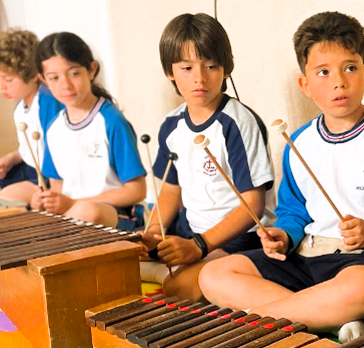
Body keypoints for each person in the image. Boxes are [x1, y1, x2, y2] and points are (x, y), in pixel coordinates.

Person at [199, 11, 364, 342]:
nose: (339, 81)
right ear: (305, 84)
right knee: (214, 274)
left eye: (350, 68)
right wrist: (284, 236)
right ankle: (327, 320)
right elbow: (293, 212)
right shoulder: (297, 142)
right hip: (307, 258)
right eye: (323, 72)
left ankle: (270, 321)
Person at [140, 13, 275, 302]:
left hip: (241, 240)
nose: (199, 78)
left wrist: (200, 246)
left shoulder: (238, 123)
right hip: (194, 235)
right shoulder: (171, 124)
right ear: (170, 72)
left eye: (210, 66)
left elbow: (254, 204)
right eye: (186, 67)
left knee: (177, 289)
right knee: (119, 270)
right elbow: (170, 191)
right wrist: (154, 229)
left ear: (226, 68)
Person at [31, 32, 146, 228]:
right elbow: (57, 187)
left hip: (116, 214)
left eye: (74, 73)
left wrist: (75, 204)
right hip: (73, 213)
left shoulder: (111, 121)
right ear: (43, 81)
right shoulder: (54, 127)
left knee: (87, 212)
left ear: (91, 70)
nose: (65, 85)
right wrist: (44, 201)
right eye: (54, 78)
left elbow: (137, 191)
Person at [0, 28, 61, 203]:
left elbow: (55, 153)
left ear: (34, 75)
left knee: (6, 198)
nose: (2, 86)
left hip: (51, 178)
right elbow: (33, 148)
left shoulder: (47, 102)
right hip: (30, 169)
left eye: (9, 80)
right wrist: (11, 159)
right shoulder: (20, 107)